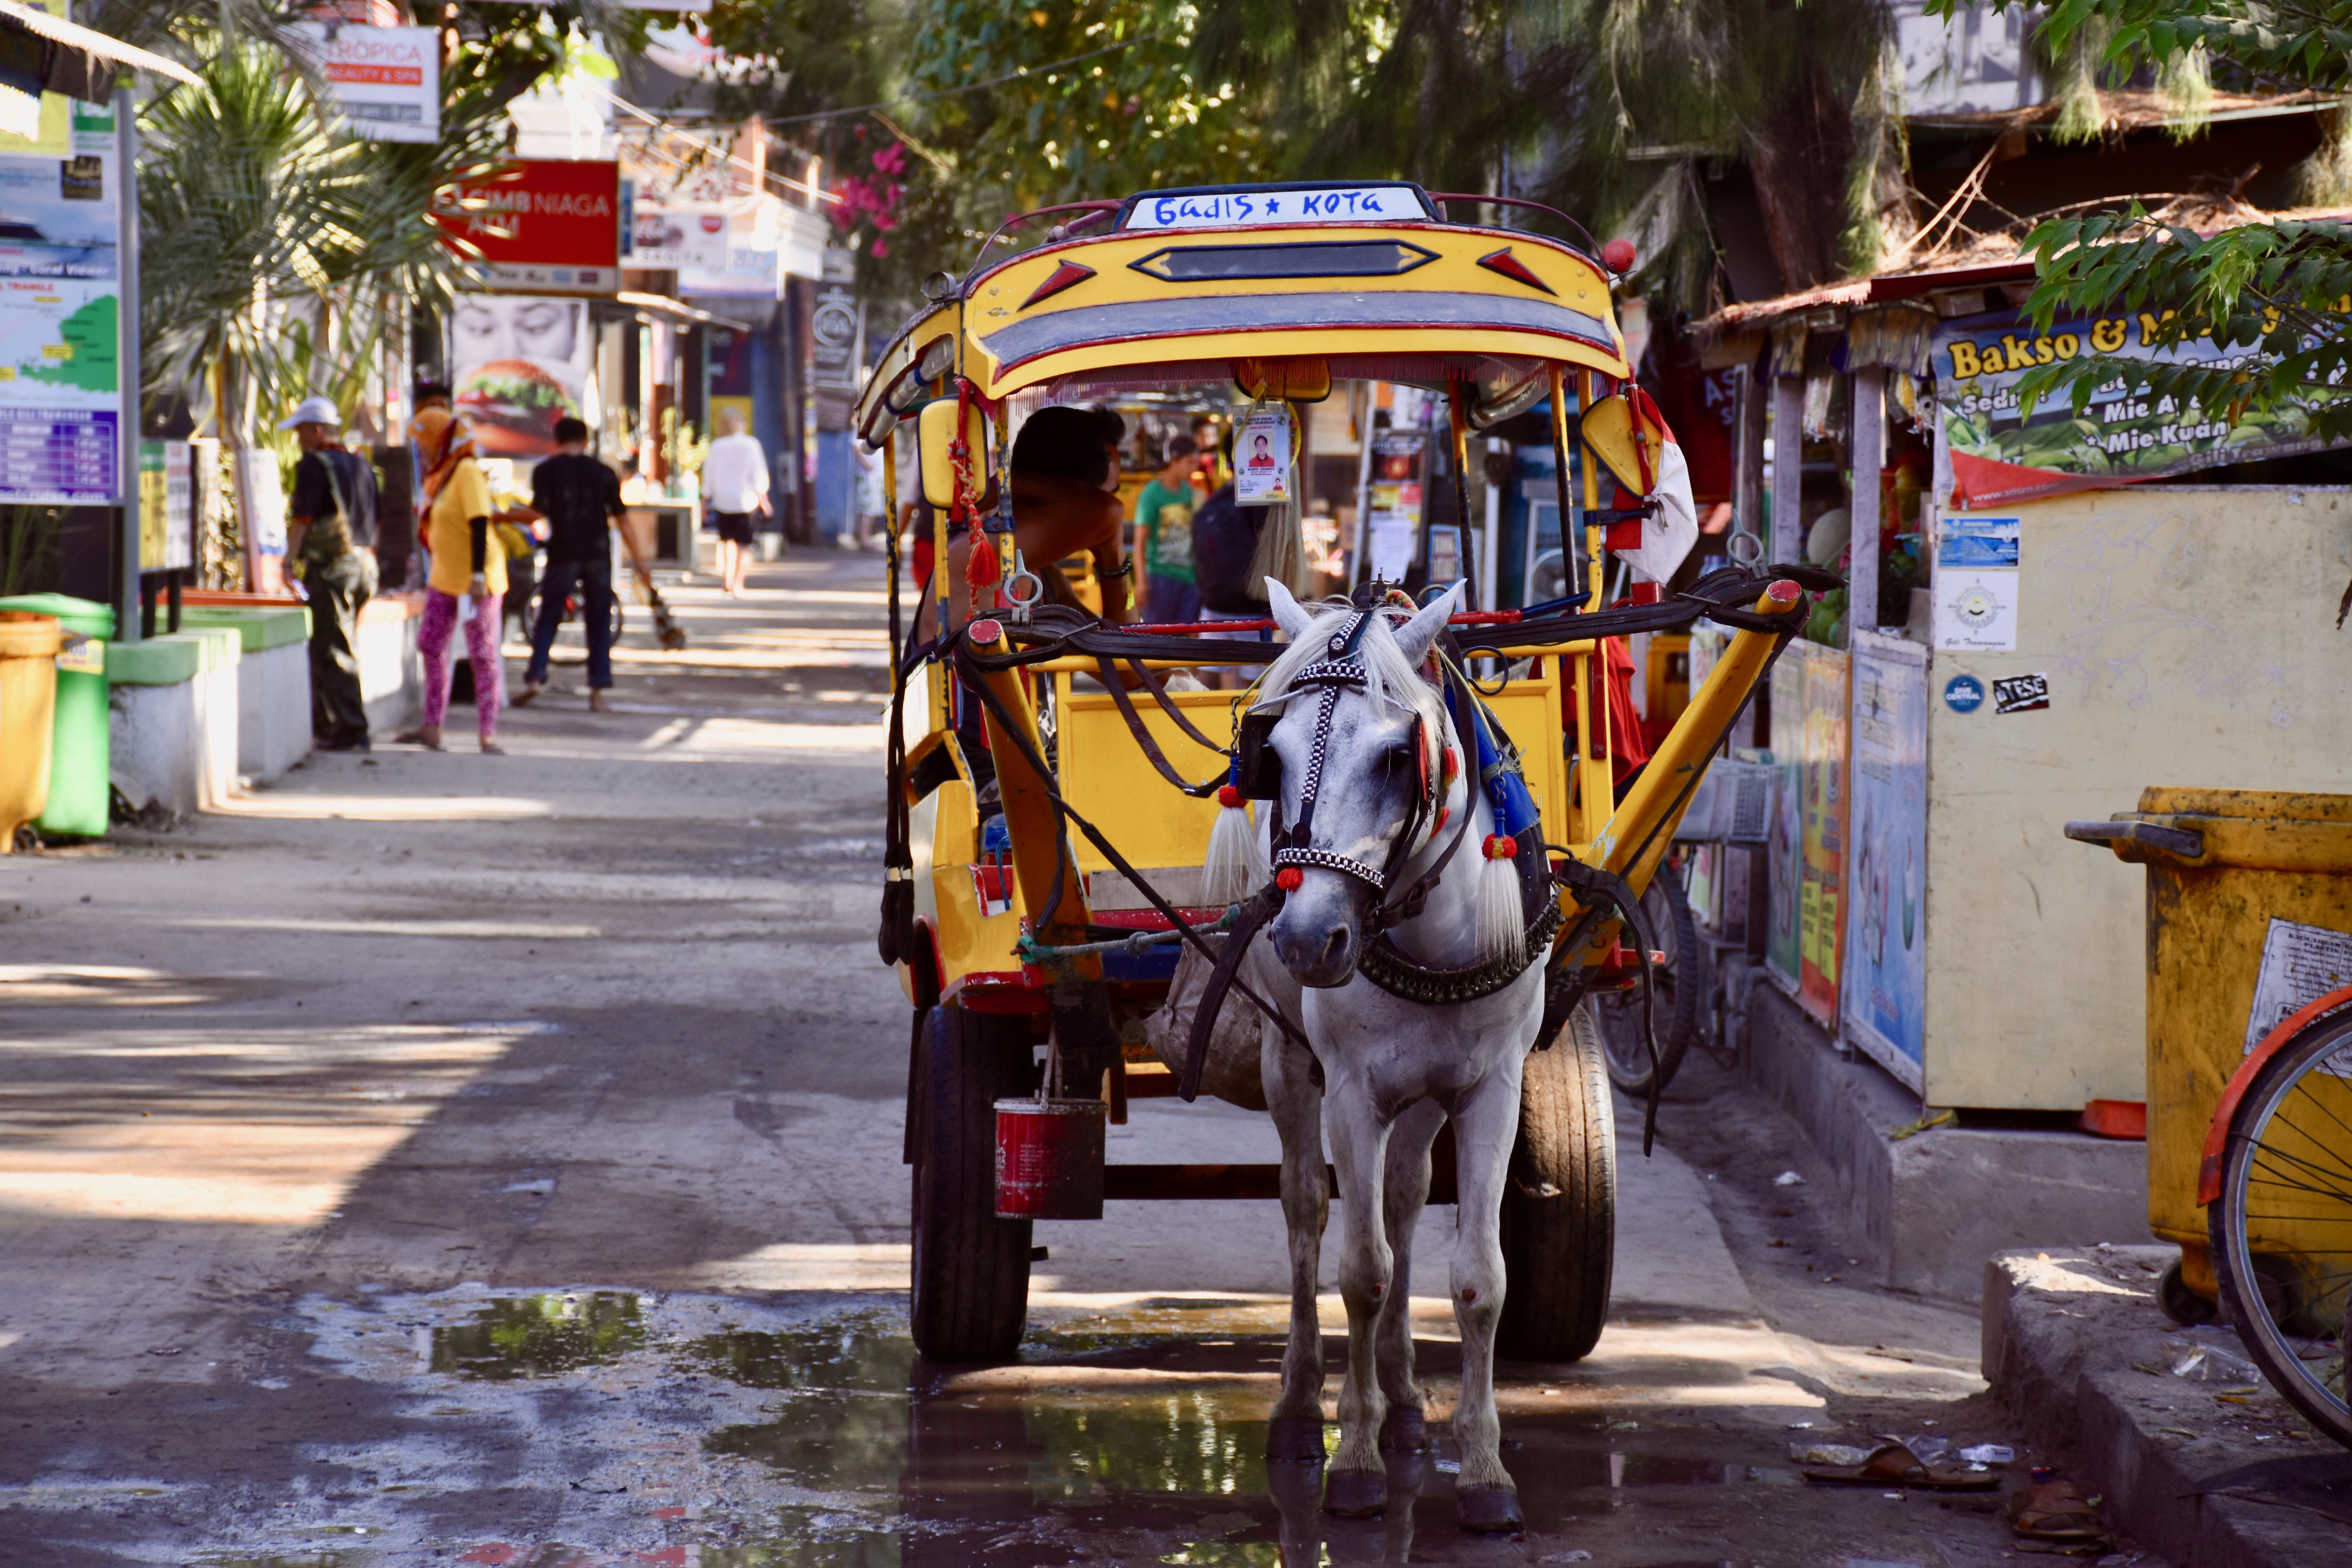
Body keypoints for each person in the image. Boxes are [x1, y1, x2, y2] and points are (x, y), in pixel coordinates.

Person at [941, 404, 1132, 626]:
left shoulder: (1047, 579)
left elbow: (1123, 643)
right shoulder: (978, 556)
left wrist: (1113, 558)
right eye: (1109, 497)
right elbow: (1107, 511)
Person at [509, 417, 648, 713]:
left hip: (563, 552)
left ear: (556, 442)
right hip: (597, 553)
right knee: (599, 621)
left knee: (548, 616)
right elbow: (622, 519)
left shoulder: (546, 470)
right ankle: (597, 692)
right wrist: (640, 561)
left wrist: (499, 517)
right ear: (585, 442)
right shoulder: (605, 473)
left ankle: (535, 678)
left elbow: (537, 513)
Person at [402, 408, 508, 754]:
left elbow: (480, 524)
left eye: (423, 444)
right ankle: (432, 726)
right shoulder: (439, 476)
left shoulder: (465, 472)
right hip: (444, 579)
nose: (421, 451)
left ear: (439, 440)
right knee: (431, 645)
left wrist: (477, 577)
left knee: (482, 655)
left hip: (479, 581)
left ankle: (487, 735)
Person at [280, 394, 380, 752]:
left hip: (333, 568)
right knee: (333, 644)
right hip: (366, 566)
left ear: (316, 430)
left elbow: (302, 520)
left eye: (301, 432)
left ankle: (353, 729)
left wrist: (287, 561)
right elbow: (377, 521)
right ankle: (331, 726)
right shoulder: (362, 466)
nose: (299, 439)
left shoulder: (313, 465)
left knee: (335, 649)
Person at [1189, 435, 1270, 689]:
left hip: (1213, 605)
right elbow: (1268, 547)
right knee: (1252, 686)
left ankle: (1199, 722)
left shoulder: (1215, 500)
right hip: (1250, 610)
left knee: (1208, 679)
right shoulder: (1260, 497)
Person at [701, 408, 770, 596]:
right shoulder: (751, 445)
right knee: (744, 544)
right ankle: (739, 583)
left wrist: (704, 503)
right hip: (747, 502)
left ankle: (727, 581)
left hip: (723, 501)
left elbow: (708, 477)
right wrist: (764, 500)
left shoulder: (716, 446)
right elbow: (759, 475)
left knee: (728, 542)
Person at [1132, 435, 1200, 625]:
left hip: (1189, 577)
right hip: (1160, 577)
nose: (1194, 468)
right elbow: (1140, 543)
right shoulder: (1151, 494)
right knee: (1160, 636)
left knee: (1188, 636)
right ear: (1174, 461)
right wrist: (1141, 583)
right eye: (1189, 463)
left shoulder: (1188, 491)